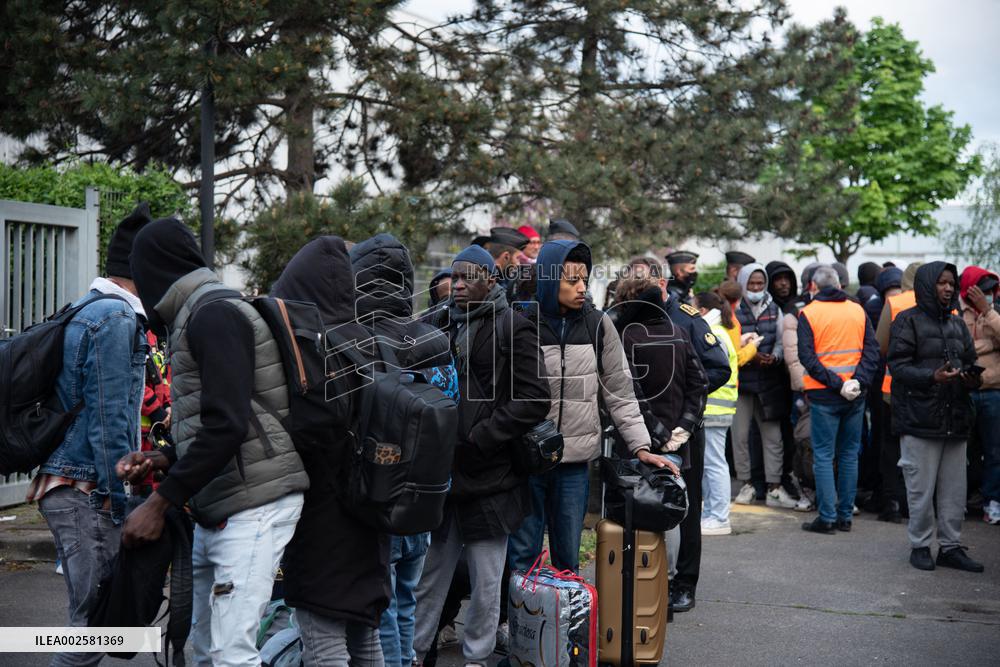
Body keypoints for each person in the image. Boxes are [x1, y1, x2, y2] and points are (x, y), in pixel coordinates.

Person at [116, 218, 309, 664]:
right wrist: (161, 457)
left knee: (229, 652)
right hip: (223, 503)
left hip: (254, 504)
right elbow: (213, 423)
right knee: (204, 648)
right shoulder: (194, 314)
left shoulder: (213, 314)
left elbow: (228, 425)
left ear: (153, 269)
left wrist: (158, 503)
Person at [413, 245, 550, 665]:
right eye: (453, 278)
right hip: (441, 474)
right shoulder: (434, 325)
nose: (456, 285)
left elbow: (534, 398)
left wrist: (480, 437)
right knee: (429, 577)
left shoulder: (514, 327)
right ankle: (414, 654)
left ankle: (476, 659)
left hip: (492, 477)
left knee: (487, 582)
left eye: (467, 277)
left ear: (490, 280)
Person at [28, 204, 150, 667]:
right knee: (90, 631)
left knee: (91, 626)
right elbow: (108, 417)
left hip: (70, 482)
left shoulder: (85, 307)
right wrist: (116, 495)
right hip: (84, 488)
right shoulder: (116, 320)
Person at [264, 237, 388, 664]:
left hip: (324, 520)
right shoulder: (370, 343)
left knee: (322, 634)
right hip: (371, 514)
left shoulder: (317, 352)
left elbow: (313, 435)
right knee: (363, 630)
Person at [508, 241, 659, 577]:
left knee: (567, 558)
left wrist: (641, 445)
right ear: (549, 280)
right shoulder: (520, 322)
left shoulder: (597, 325)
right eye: (570, 280)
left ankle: (569, 625)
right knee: (522, 555)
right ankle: (515, 624)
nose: (580, 288)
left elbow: (620, 391)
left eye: (584, 280)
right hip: (526, 459)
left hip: (574, 463)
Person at [623, 257, 730, 612]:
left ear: (663, 283)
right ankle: (642, 580)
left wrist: (684, 412)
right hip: (637, 430)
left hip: (682, 431)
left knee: (686, 507)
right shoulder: (626, 318)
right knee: (637, 506)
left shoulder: (687, 318)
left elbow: (716, 369)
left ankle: (684, 582)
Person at [888, 262, 984, 572]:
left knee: (954, 491)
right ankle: (920, 545)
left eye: (951, 283)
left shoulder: (957, 324)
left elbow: (971, 361)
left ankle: (950, 547)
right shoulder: (907, 320)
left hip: (955, 419)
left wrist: (972, 379)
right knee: (920, 489)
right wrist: (933, 376)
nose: (948, 288)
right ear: (928, 285)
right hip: (920, 419)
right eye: (942, 283)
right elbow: (898, 368)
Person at [798, 266, 879, 534]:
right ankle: (845, 516)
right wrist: (856, 381)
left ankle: (828, 518)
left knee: (823, 456)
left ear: (813, 286)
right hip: (855, 394)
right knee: (848, 455)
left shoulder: (809, 313)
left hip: (825, 395)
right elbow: (871, 351)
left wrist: (839, 384)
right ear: (840, 285)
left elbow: (808, 359)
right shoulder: (857, 310)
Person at [732, 264, 797, 509]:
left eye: (760, 284)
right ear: (743, 283)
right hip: (743, 384)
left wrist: (775, 357)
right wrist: (751, 355)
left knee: (773, 437)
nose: (757, 288)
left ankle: (774, 487)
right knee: (740, 437)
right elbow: (730, 344)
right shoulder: (735, 309)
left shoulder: (774, 308)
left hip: (768, 383)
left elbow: (781, 341)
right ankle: (746, 484)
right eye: (752, 284)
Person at [874, 262, 921, 523]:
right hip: (930, 390)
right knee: (922, 450)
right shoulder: (945, 303)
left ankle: (891, 503)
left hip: (894, 389)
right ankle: (916, 504)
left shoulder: (895, 302)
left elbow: (881, 345)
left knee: (891, 448)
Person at [958, 266, 1000, 525]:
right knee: (961, 451)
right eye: (982, 292)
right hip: (964, 390)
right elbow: (957, 348)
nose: (988, 295)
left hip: (994, 391)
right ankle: (959, 500)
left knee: (995, 451)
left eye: (991, 292)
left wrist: (988, 310)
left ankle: (992, 501)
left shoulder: (993, 310)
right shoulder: (955, 311)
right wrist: (992, 345)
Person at [694, 291, 739, 536]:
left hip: (715, 407)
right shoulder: (719, 331)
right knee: (712, 463)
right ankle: (713, 513)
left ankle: (719, 516)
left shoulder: (714, 334)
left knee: (714, 464)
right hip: (717, 407)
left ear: (702, 311)